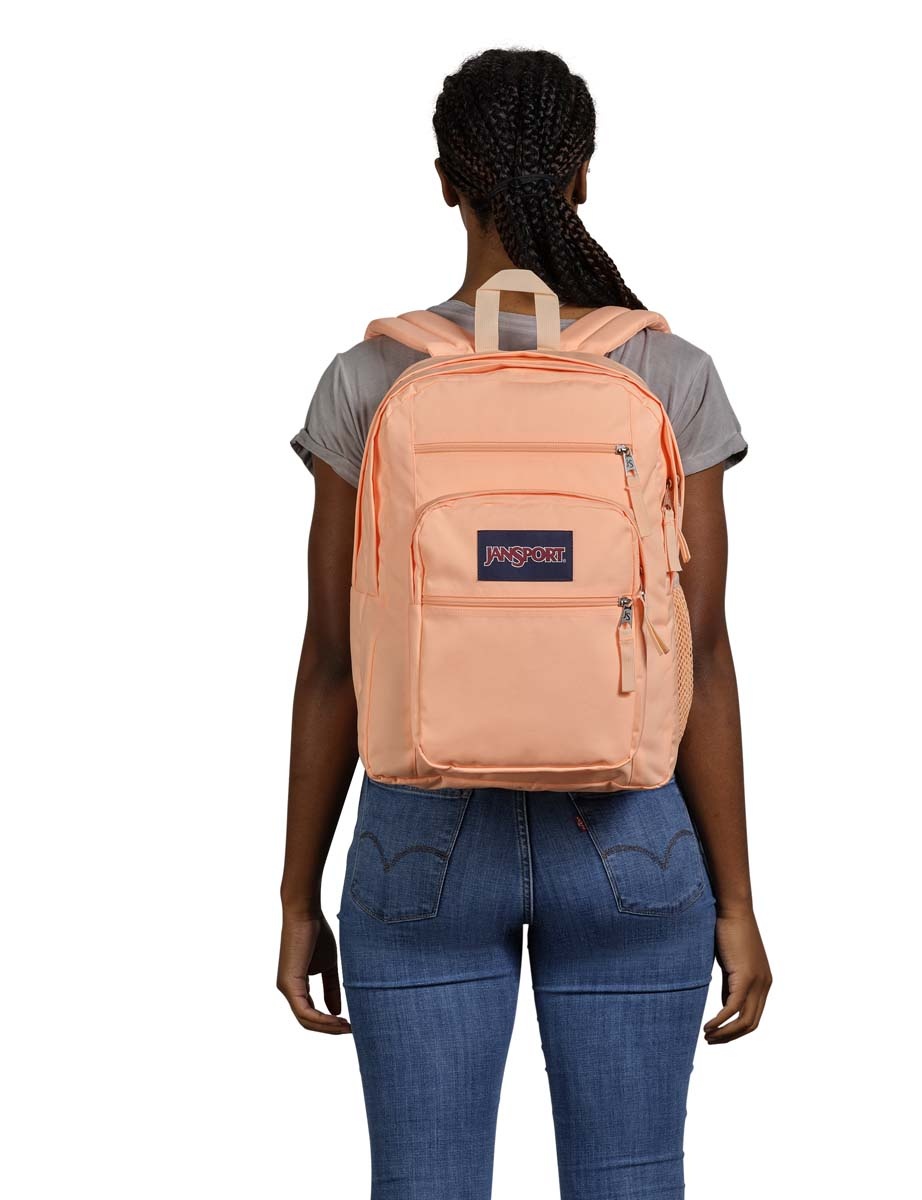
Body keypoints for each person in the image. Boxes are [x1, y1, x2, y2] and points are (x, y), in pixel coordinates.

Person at [279, 47, 772, 1200]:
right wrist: (738, 900)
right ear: (583, 174)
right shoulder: (669, 372)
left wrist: (297, 894)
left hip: (417, 842)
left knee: (425, 1184)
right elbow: (699, 648)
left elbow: (333, 658)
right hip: (633, 838)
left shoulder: (368, 377)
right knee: (632, 1182)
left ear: (446, 181)